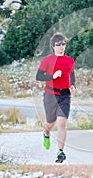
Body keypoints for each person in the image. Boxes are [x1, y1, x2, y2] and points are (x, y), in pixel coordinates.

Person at [36, 32, 76, 163]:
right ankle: (46, 133)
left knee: (62, 122)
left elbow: (71, 75)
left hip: (65, 95)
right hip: (50, 94)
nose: (61, 47)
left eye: (63, 44)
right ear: (53, 46)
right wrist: (52, 76)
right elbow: (39, 76)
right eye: (58, 44)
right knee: (50, 122)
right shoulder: (47, 60)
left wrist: (73, 85)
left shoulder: (69, 60)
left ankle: (60, 152)